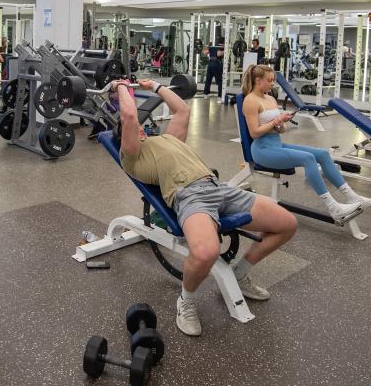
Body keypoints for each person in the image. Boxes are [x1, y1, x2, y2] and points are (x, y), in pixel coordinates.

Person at [114, 76, 297, 337]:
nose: (141, 128)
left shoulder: (169, 139)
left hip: (219, 187)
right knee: (205, 253)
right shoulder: (131, 156)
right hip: (189, 196)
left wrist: (155, 86)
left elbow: (183, 109)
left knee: (287, 224)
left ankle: (240, 274)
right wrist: (121, 86)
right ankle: (186, 302)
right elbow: (130, 117)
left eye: (143, 128)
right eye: (134, 130)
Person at [241, 65, 371, 219]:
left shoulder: (271, 98)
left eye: (273, 80)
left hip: (277, 144)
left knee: (323, 154)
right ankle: (333, 208)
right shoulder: (250, 100)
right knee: (308, 158)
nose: (273, 83)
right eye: (269, 80)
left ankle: (353, 197)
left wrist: (281, 125)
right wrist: (276, 121)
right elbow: (254, 132)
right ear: (258, 80)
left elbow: (281, 129)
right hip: (262, 150)